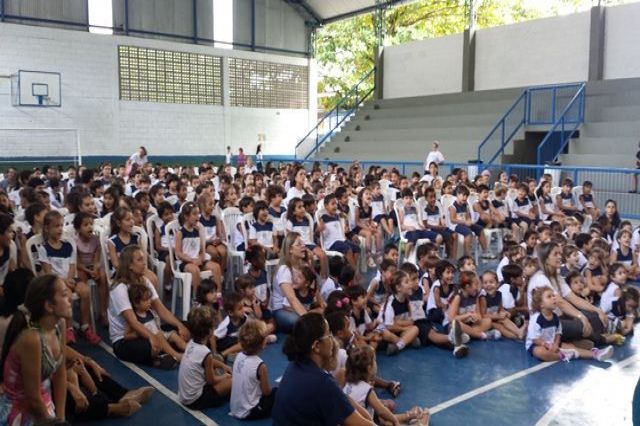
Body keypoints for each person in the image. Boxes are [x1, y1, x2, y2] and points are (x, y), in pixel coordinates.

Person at [272, 312, 375, 425]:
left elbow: (341, 399)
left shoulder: (294, 365)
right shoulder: (322, 383)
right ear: (317, 346)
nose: (332, 339)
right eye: (329, 335)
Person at [0, 274, 71, 425]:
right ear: (49, 306)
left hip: (44, 401)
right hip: (19, 412)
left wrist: (61, 418)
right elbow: (32, 397)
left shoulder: (60, 325)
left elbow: (60, 374)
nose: (70, 299)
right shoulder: (32, 339)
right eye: (64, 295)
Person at [108, 245, 189, 368]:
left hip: (147, 328)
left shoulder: (144, 281)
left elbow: (161, 309)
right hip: (125, 340)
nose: (144, 263)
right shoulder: (120, 288)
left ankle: (164, 355)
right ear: (129, 265)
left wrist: (180, 325)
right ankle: (174, 356)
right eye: (140, 260)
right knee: (153, 345)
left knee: (188, 326)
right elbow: (133, 322)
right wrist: (152, 336)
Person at [527, 242, 610, 347]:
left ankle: (576, 342)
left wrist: (597, 310)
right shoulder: (540, 278)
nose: (559, 257)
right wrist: (581, 316)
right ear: (546, 259)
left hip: (560, 317)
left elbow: (573, 298)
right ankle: (601, 340)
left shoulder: (556, 276)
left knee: (594, 316)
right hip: (545, 324)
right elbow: (560, 303)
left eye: (560, 253)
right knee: (581, 325)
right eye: (555, 254)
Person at [178, 306, 232, 410]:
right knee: (232, 381)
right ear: (209, 331)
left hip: (184, 396)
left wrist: (223, 365)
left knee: (217, 364)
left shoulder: (191, 343)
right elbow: (211, 381)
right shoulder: (205, 352)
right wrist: (225, 377)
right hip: (195, 401)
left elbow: (209, 362)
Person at [229, 319, 277, 420]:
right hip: (249, 412)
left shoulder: (239, 356)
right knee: (277, 393)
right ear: (263, 343)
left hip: (234, 408)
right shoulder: (260, 365)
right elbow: (266, 392)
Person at [272, 232, 313, 333]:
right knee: (300, 322)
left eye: (303, 243)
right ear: (290, 249)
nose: (303, 246)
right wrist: (308, 318)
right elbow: (292, 299)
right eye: (299, 244)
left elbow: (312, 287)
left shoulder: (303, 266)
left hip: (298, 305)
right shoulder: (284, 269)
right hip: (281, 309)